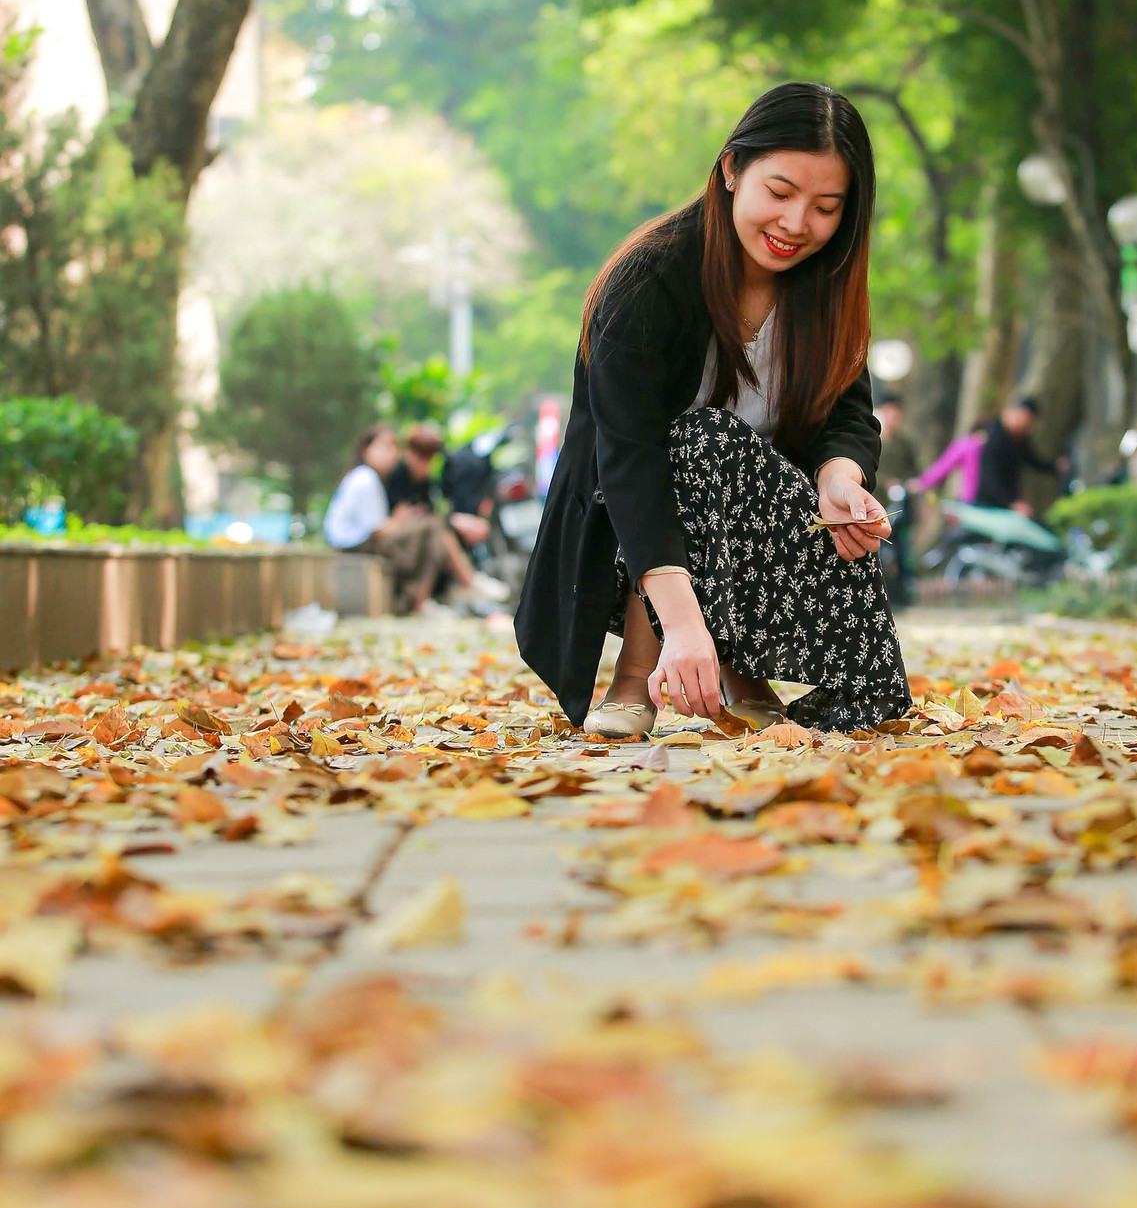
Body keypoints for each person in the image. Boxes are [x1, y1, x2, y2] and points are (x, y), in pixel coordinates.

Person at [514, 81, 911, 738]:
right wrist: (685, 625)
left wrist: (841, 480)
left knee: (870, 697)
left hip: (751, 543)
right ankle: (637, 673)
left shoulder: (825, 293)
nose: (795, 224)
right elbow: (630, 460)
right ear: (731, 169)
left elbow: (848, 414)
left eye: (826, 207)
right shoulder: (647, 282)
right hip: (629, 534)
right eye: (780, 193)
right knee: (701, 439)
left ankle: (739, 665)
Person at [324, 424, 504, 613]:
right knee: (432, 530)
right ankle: (468, 583)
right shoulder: (366, 478)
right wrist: (403, 520)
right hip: (354, 545)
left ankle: (431, 599)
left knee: (433, 534)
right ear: (366, 449)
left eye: (394, 447)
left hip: (372, 541)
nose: (392, 453)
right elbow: (378, 529)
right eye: (385, 447)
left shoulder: (381, 478)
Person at [385, 423, 496, 567]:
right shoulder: (398, 477)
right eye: (422, 457)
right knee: (442, 535)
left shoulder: (427, 480)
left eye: (430, 458)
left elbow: (432, 511)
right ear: (410, 453)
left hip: (425, 533)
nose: (426, 465)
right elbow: (401, 518)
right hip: (404, 539)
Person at [975, 397, 1065, 515]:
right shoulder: (995, 438)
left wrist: (1054, 467)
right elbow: (990, 477)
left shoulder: (1018, 438)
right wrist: (1011, 503)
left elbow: (1032, 459)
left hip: (1009, 501)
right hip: (990, 503)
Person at [872, 393, 919, 608]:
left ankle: (901, 594)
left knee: (901, 549)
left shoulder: (905, 443)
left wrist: (910, 484)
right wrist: (885, 483)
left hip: (900, 506)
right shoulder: (872, 438)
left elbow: (914, 471)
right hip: (875, 503)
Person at [910, 422, 988, 504]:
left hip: (971, 499)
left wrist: (923, 482)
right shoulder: (975, 446)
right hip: (986, 500)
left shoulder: (968, 445)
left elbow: (944, 465)